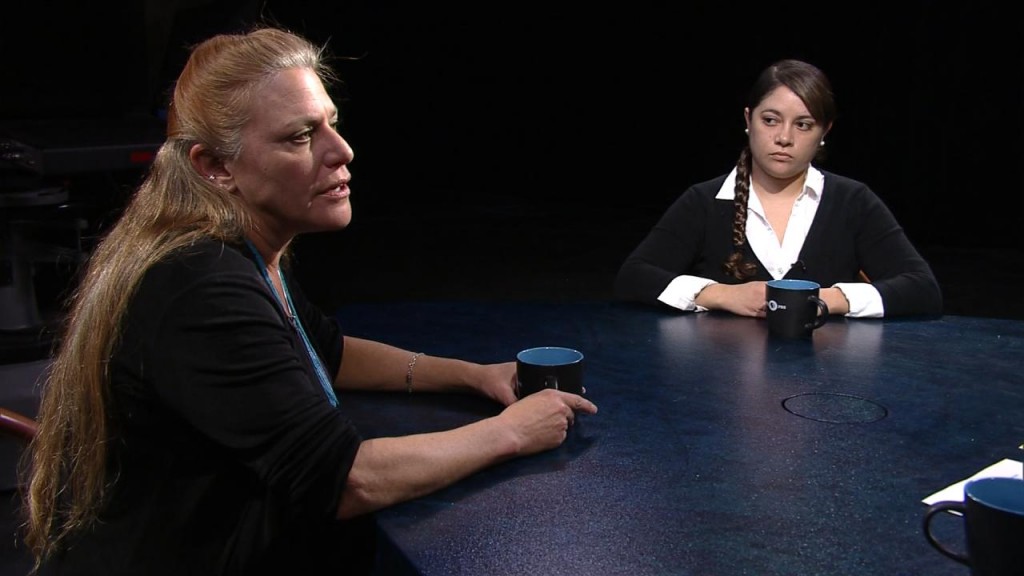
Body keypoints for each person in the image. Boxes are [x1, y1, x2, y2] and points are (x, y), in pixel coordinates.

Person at [22, 26, 597, 576]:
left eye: (332, 124)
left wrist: (473, 377)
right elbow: (347, 482)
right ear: (216, 167)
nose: (342, 151)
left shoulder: (241, 249)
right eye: (301, 137)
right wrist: (512, 432)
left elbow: (328, 350)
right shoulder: (202, 285)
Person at [613, 59, 942, 318]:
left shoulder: (852, 202)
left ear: (824, 130)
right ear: (748, 119)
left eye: (803, 124)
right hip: (717, 385)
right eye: (770, 120)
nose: (784, 138)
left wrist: (824, 299)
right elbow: (632, 279)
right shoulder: (704, 202)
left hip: (824, 384)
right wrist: (721, 294)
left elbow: (923, 290)